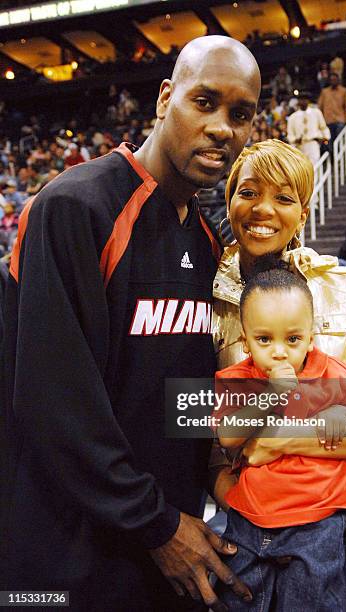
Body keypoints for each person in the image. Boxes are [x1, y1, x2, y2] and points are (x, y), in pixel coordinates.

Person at [0, 35, 261, 612]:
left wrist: (343, 414)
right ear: (166, 97)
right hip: (67, 559)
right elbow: (53, 403)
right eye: (205, 102)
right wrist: (157, 523)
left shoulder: (207, 237)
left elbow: (185, 400)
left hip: (171, 550)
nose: (222, 127)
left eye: (241, 115)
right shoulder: (75, 207)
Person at [210, 138, 346, 612]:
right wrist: (239, 500)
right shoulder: (206, 302)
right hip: (257, 519)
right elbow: (204, 428)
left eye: (283, 198)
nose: (263, 208)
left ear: (303, 214)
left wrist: (285, 440)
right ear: (230, 200)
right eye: (249, 192)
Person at [215, 264, 346, 611]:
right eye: (264, 339)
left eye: (292, 339)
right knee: (236, 598)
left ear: (310, 337)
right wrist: (270, 395)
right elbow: (228, 437)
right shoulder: (237, 378)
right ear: (245, 341)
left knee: (312, 600)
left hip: (318, 516)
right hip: (250, 517)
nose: (279, 352)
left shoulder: (332, 372)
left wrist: (342, 413)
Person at [287, 92, 330, 166]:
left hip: (313, 142)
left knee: (315, 165)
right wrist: (294, 140)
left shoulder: (316, 112)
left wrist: (325, 137)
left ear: (308, 101)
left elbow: (323, 127)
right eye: (301, 99)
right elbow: (290, 133)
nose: (303, 101)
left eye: (305, 99)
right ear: (298, 101)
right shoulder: (293, 117)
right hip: (299, 145)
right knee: (302, 168)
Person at [318, 72, 346, 144]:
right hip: (327, 120)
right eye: (331, 80)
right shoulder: (325, 92)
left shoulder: (344, 91)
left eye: (335, 79)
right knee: (329, 142)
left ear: (338, 80)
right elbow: (320, 106)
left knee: (340, 141)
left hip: (340, 120)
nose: (333, 81)